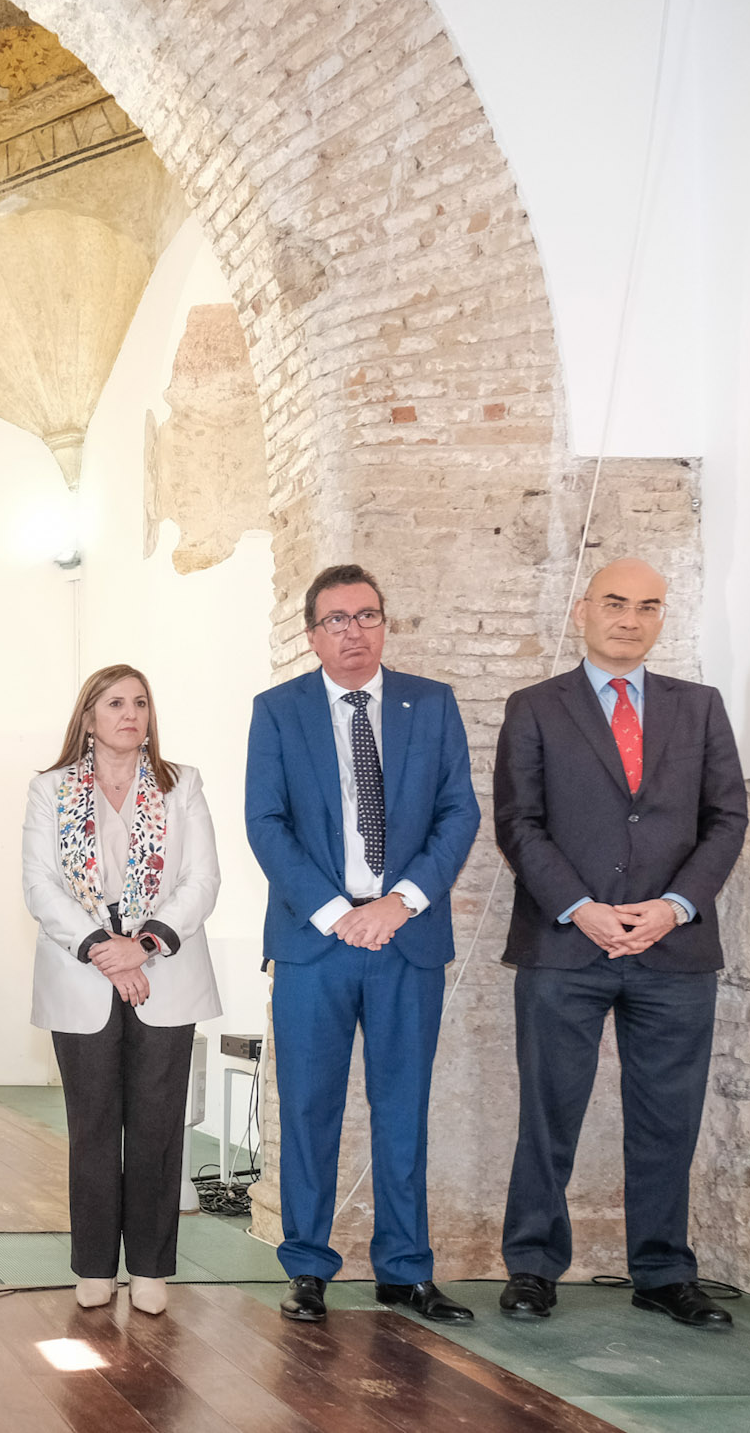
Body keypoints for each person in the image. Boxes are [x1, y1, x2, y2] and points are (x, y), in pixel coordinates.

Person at [494, 558, 748, 1329]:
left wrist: (674, 906)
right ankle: (533, 1265)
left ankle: (665, 1270)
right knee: (549, 1112)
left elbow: (727, 819)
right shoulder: (534, 706)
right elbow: (519, 823)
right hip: (564, 945)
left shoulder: (699, 707)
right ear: (583, 610)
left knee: (669, 1115)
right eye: (615, 602)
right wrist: (580, 907)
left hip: (673, 951)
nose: (630, 618)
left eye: (648, 606)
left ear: (662, 617)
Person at [245, 564, 480, 1325]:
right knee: (309, 1108)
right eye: (336, 619)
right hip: (317, 943)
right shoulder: (277, 711)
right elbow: (266, 823)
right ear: (312, 634)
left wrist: (398, 903)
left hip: (404, 937)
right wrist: (334, 911)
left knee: (402, 1107)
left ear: (386, 623)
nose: (354, 630)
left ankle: (405, 1269)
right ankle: (308, 1267)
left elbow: (458, 814)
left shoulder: (431, 704)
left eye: (367, 615)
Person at [21, 665, 223, 1314]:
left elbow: (202, 880)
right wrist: (105, 950)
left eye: (140, 702)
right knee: (94, 1126)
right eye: (115, 703)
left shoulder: (180, 783)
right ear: (88, 717)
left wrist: (146, 943)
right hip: (82, 965)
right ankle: (94, 1266)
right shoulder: (49, 788)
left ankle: (152, 1268)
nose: (130, 713)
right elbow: (40, 886)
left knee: (159, 1128)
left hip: (163, 963)